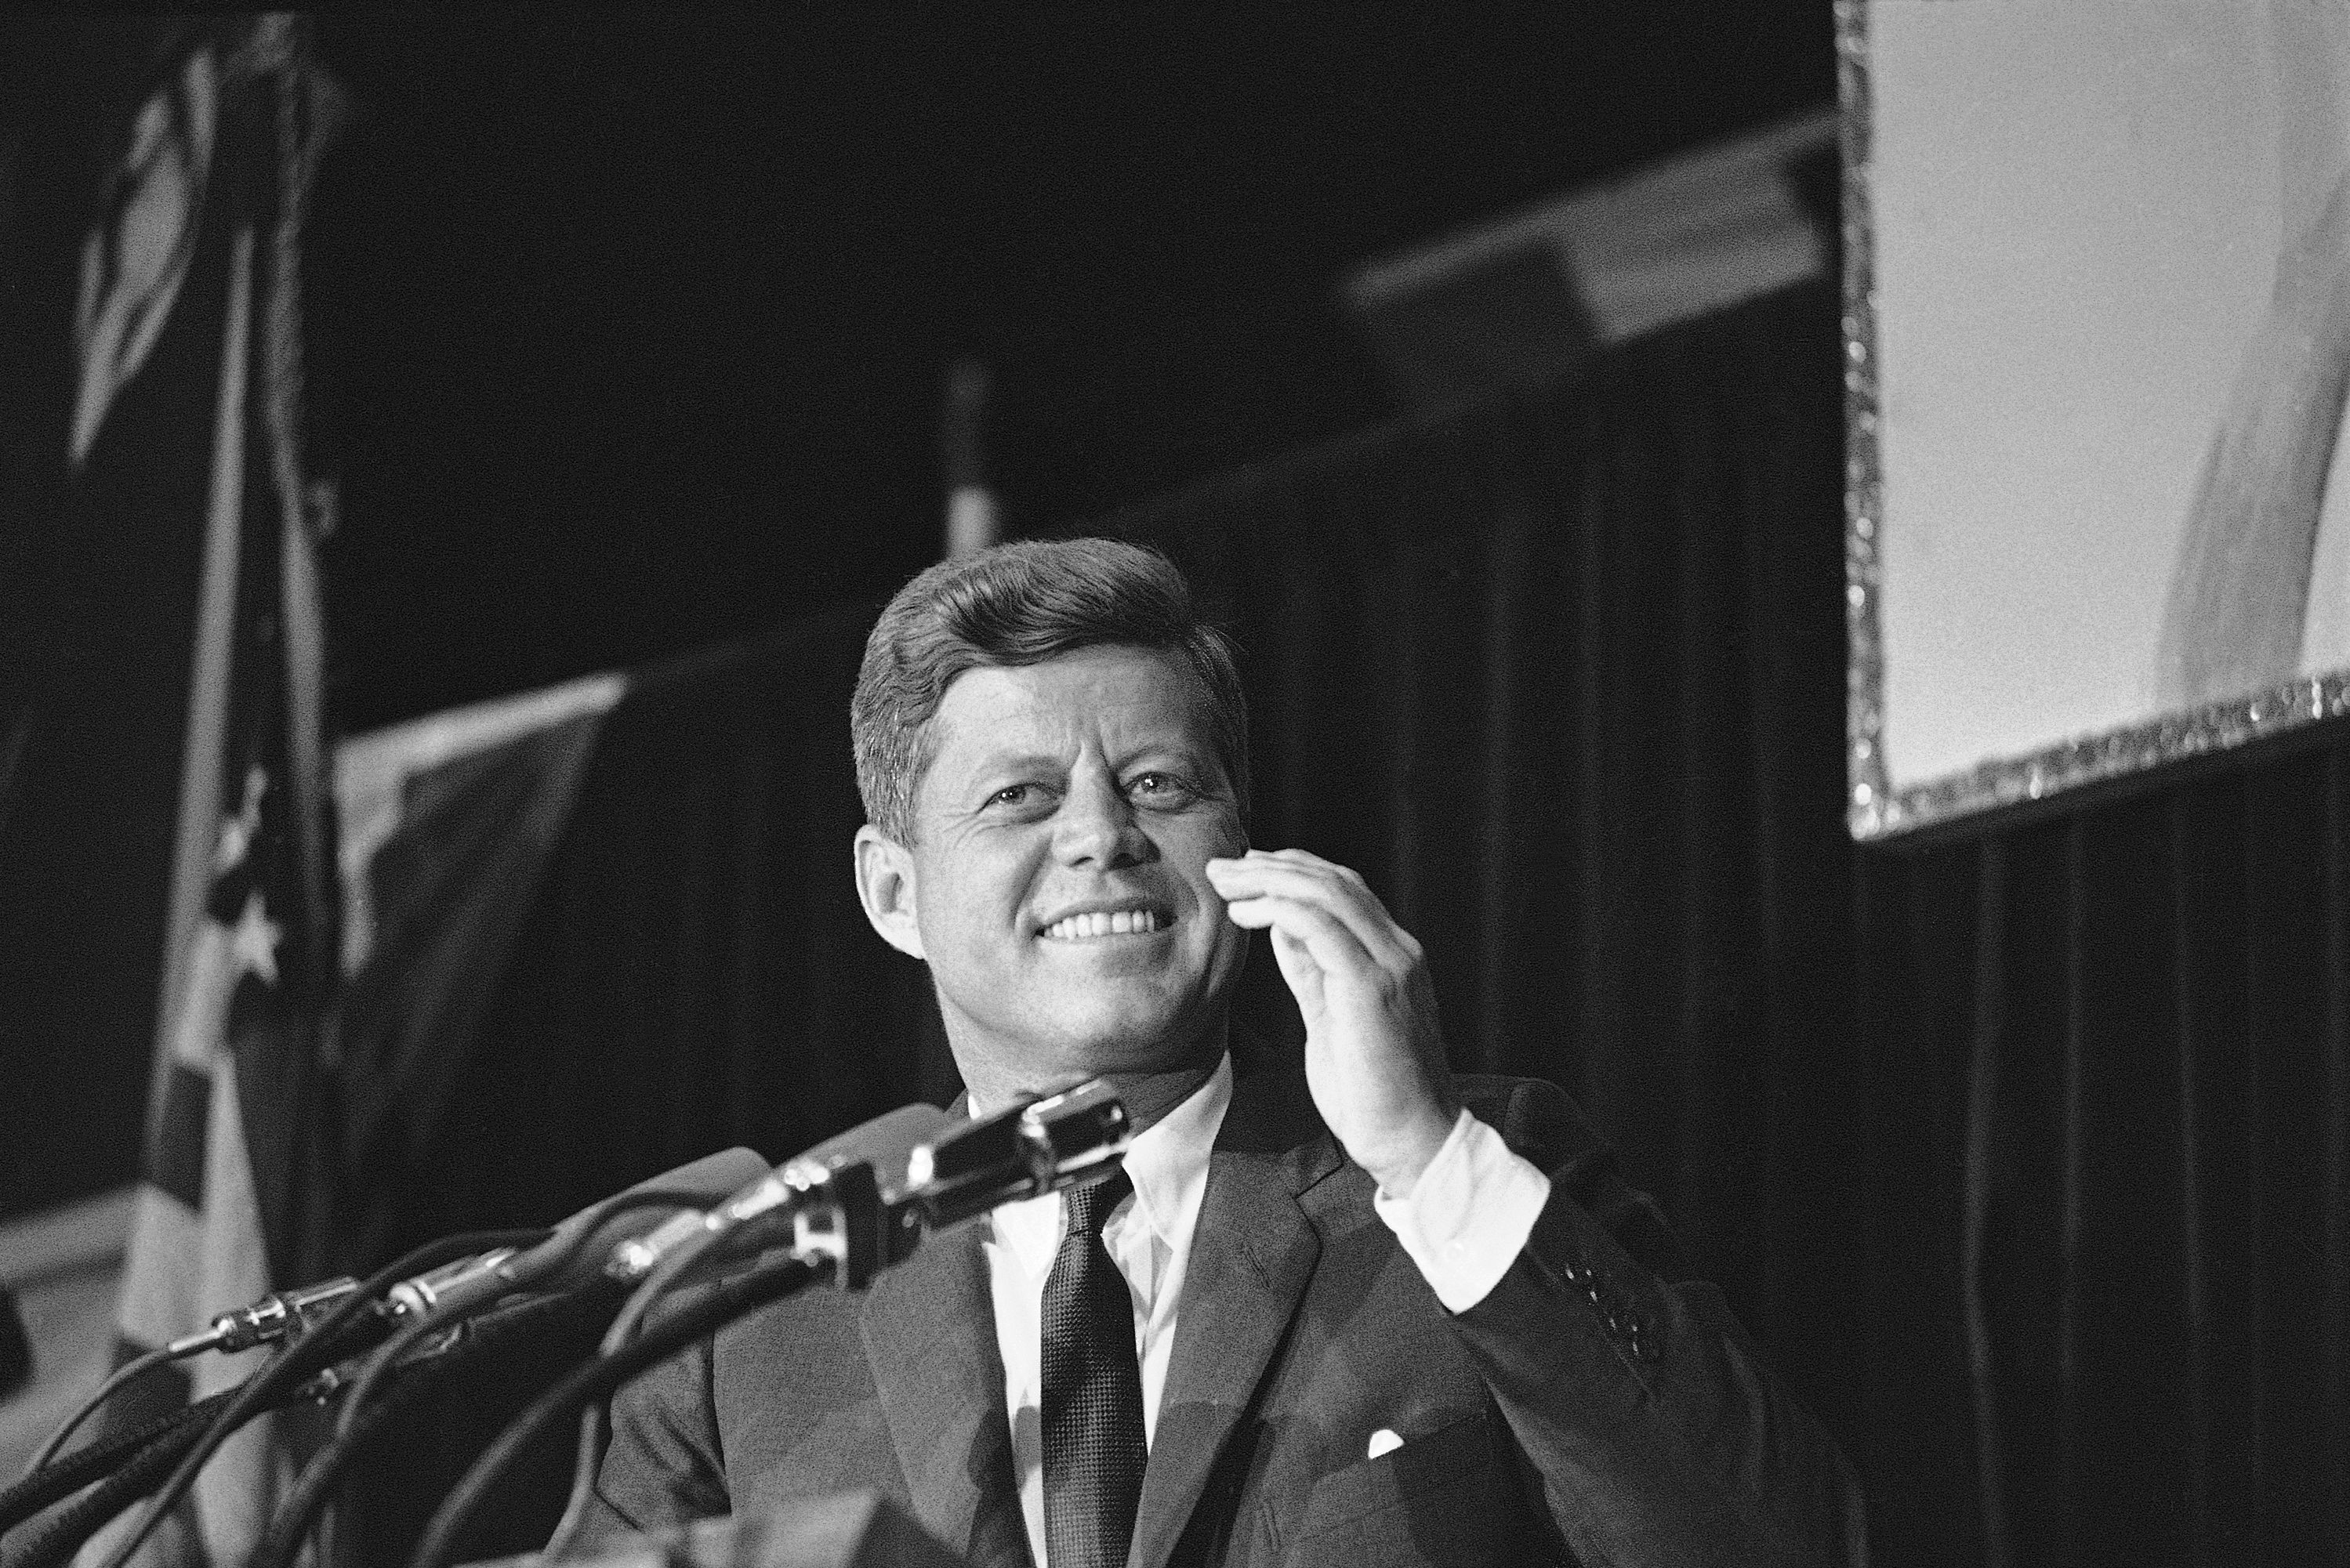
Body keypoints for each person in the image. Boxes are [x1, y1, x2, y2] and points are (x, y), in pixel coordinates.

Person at [578, 538, 1863, 1567]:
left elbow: (1772, 1543)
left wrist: (1420, 1153)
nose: (1102, 837)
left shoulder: (1476, 1175)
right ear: (892, 890)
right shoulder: (743, 1301)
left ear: (1243, 842)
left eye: (1156, 785)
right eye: (1023, 795)